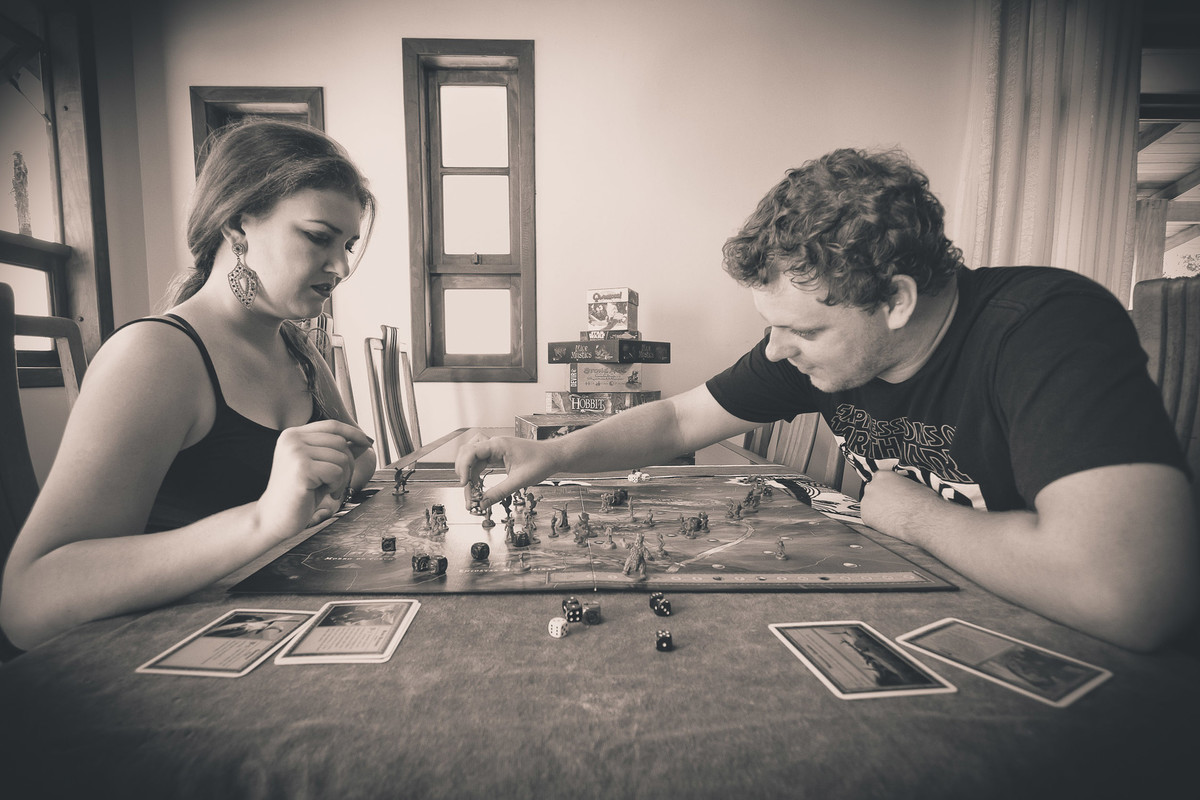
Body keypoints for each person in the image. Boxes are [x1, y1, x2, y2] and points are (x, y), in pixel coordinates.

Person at [456, 148, 1199, 652]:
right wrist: (553, 453)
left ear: (896, 301)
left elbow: (1132, 593)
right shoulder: (816, 352)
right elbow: (683, 417)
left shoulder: (1046, 325)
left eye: (800, 329)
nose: (777, 351)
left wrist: (913, 515)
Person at [1, 120, 376, 650]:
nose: (340, 266)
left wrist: (330, 470)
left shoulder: (294, 346)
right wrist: (263, 519)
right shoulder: (155, 356)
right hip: (154, 662)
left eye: (348, 244)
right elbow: (29, 601)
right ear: (237, 227)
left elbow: (356, 458)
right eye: (318, 237)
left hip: (268, 636)